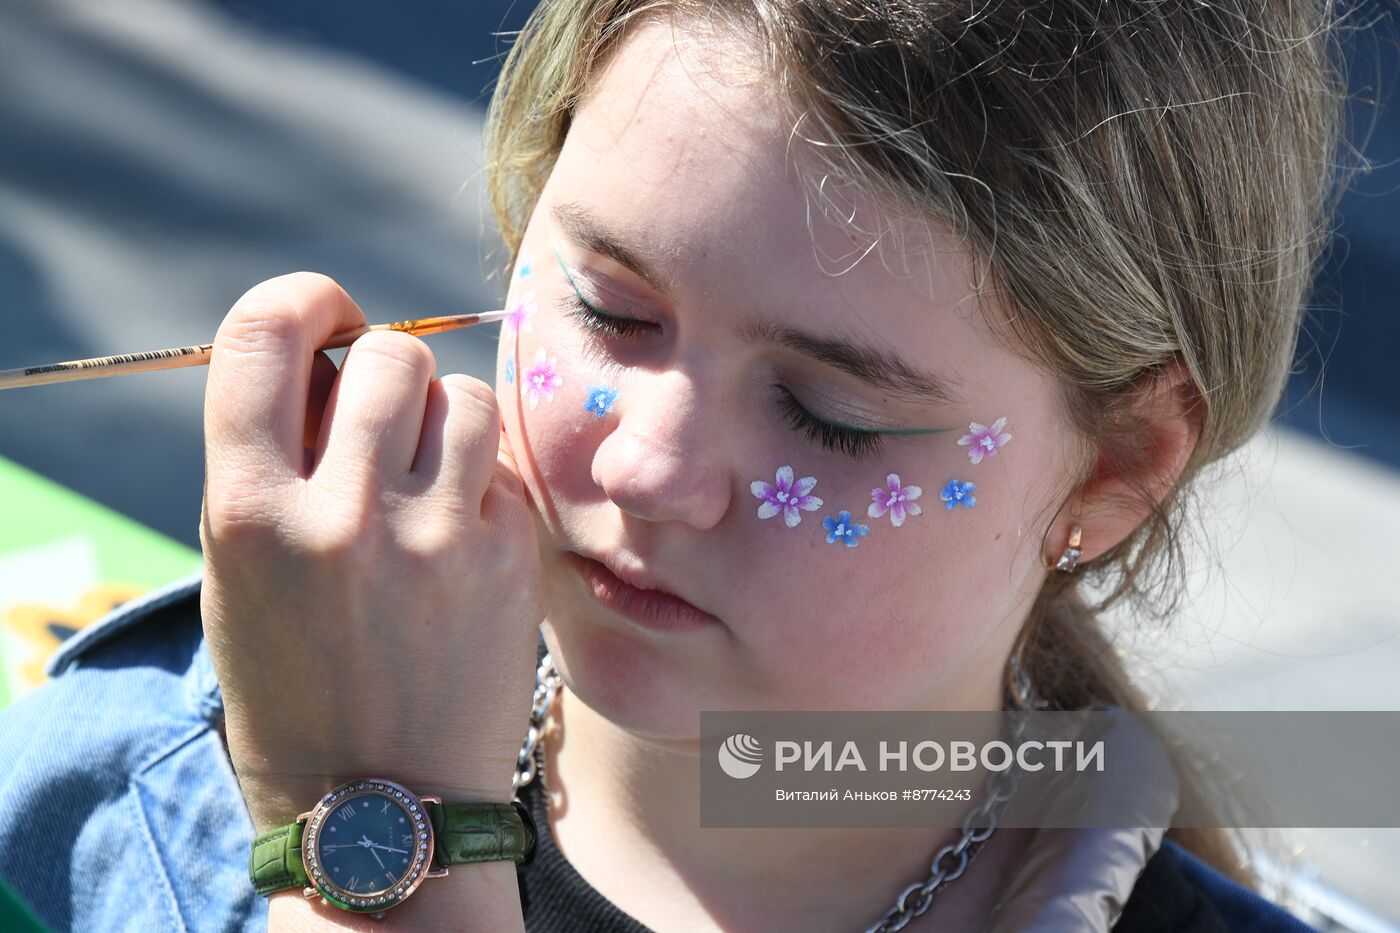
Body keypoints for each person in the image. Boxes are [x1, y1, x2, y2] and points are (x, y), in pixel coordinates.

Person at [0, 1, 1353, 930]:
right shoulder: (91, 809)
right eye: (611, 310)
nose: (648, 467)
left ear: (1116, 465)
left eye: (828, 412)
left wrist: (371, 836)